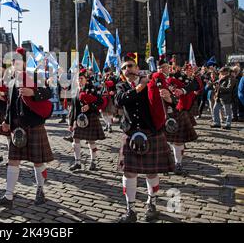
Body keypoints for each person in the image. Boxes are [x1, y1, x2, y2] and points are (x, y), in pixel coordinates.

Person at [0, 48, 54, 210]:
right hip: (17, 126)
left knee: (38, 162)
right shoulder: (12, 81)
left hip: (33, 124)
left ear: (24, 62)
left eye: (17, 61)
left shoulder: (35, 76)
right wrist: (7, 121)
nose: (14, 65)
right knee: (13, 161)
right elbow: (11, 105)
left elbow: (48, 93)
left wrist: (33, 92)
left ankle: (40, 190)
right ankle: (8, 196)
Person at [115, 54, 175, 223]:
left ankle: (152, 204)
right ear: (122, 72)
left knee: (152, 172)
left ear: (137, 68)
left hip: (151, 132)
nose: (129, 69)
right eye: (125, 67)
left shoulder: (151, 83)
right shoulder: (121, 86)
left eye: (131, 66)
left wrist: (168, 98)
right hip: (131, 133)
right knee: (129, 172)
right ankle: (131, 210)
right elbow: (120, 101)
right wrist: (139, 88)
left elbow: (169, 101)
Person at [68, 68, 106, 172]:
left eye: (81, 78)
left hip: (90, 117)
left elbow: (100, 101)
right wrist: (71, 122)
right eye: (77, 79)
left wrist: (90, 106)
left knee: (91, 141)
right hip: (78, 118)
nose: (79, 80)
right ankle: (77, 162)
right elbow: (73, 108)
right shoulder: (75, 90)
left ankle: (93, 162)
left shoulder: (92, 88)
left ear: (85, 79)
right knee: (75, 140)